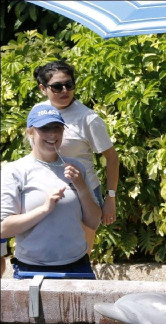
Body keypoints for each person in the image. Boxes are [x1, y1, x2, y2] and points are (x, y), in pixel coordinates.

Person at [0, 104, 102, 278]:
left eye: (57, 128)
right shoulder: (14, 171)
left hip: (77, 267)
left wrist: (82, 187)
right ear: (30, 132)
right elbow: (4, 229)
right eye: (44, 128)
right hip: (31, 271)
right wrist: (44, 209)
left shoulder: (76, 167)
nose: (52, 134)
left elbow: (93, 222)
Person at [33, 60, 119, 254]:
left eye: (69, 85)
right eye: (57, 86)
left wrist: (110, 198)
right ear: (42, 88)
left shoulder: (88, 119)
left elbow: (112, 158)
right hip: (48, 192)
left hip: (84, 193)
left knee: (81, 255)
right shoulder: (38, 113)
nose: (65, 90)